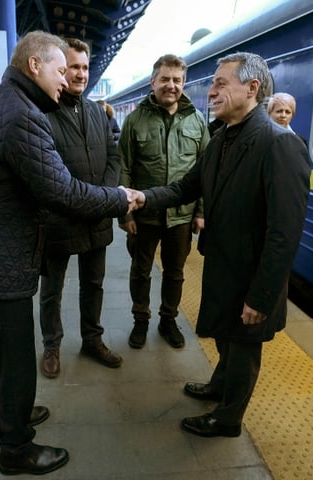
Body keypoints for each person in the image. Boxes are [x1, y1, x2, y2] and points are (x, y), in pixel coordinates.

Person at [0, 31, 135, 476]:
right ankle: (16, 448)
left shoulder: (0, 99)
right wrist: (121, 198)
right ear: (35, 66)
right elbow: (62, 191)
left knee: (0, 352)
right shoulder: (21, 115)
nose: (65, 79)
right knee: (15, 359)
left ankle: (2, 415)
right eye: (58, 70)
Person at [130, 52, 311, 437]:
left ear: (252, 88)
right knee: (229, 338)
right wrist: (143, 198)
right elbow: (185, 187)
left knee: (244, 347)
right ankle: (218, 385)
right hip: (224, 265)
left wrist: (262, 297)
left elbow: (285, 232)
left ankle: (228, 418)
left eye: (220, 84)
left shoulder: (278, 144)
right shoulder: (222, 138)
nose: (210, 92)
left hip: (250, 276)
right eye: (212, 84)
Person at [39, 38, 123, 379]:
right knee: (52, 290)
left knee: (94, 284)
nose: (80, 74)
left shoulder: (97, 112)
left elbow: (114, 156)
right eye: (73, 67)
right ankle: (52, 346)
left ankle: (92, 339)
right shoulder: (45, 111)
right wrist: (87, 199)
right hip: (59, 219)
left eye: (85, 67)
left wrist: (103, 195)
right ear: (61, 69)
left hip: (96, 217)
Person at [118, 54, 209, 350]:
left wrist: (200, 211)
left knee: (176, 272)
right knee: (141, 270)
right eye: (166, 79)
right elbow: (124, 168)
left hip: (181, 216)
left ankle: (168, 320)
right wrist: (125, 214)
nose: (171, 85)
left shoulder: (197, 121)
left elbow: (204, 171)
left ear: (184, 83)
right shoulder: (134, 121)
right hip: (143, 215)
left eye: (177, 80)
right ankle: (140, 320)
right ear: (153, 81)